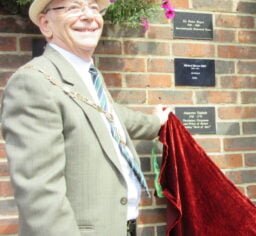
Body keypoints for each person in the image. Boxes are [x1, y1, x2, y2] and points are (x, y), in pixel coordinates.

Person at [1, 0, 170, 235]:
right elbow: (40, 198)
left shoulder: (87, 75)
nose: (89, 16)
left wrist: (157, 123)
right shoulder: (34, 82)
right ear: (45, 23)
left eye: (93, 6)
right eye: (73, 7)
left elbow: (112, 115)